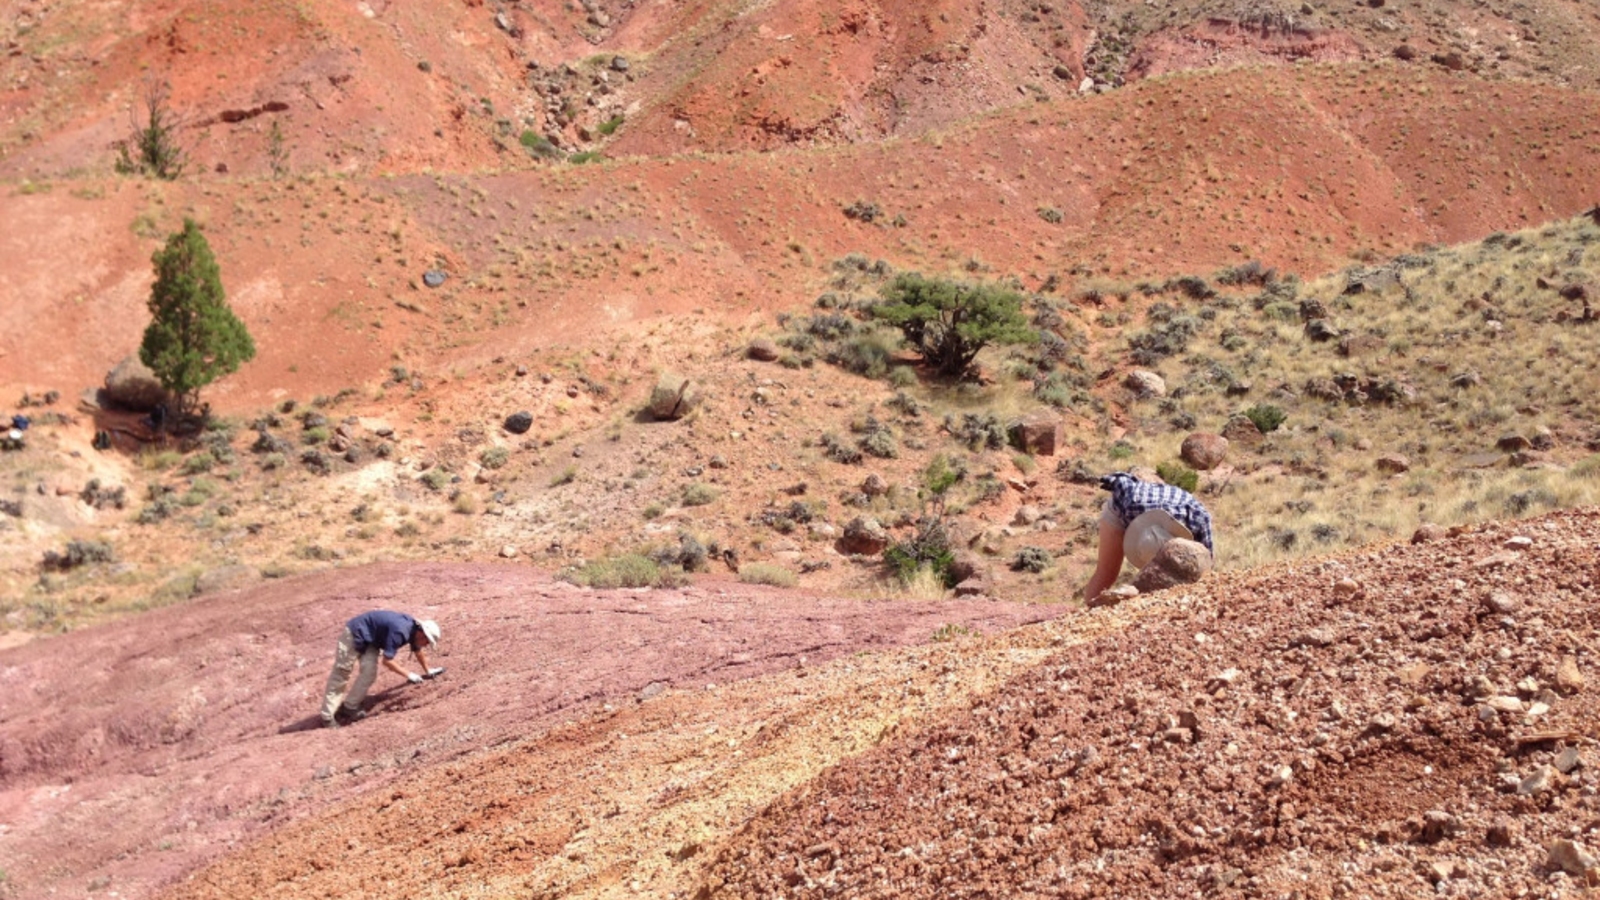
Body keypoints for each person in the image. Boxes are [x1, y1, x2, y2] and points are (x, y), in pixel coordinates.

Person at [1082, 471, 1214, 603]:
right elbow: (1122, 486)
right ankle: (1086, 614)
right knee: (1106, 572)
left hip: (1177, 506)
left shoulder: (1197, 519)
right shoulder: (1128, 506)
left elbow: (1206, 572)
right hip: (1124, 505)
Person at [321, 610, 444, 728]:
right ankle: (327, 717)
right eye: (427, 641)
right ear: (421, 633)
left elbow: (418, 650)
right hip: (355, 633)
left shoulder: (414, 631)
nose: (426, 644)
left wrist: (428, 670)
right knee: (341, 674)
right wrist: (409, 674)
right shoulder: (400, 631)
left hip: (371, 641)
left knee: (369, 673)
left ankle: (350, 706)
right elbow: (387, 661)